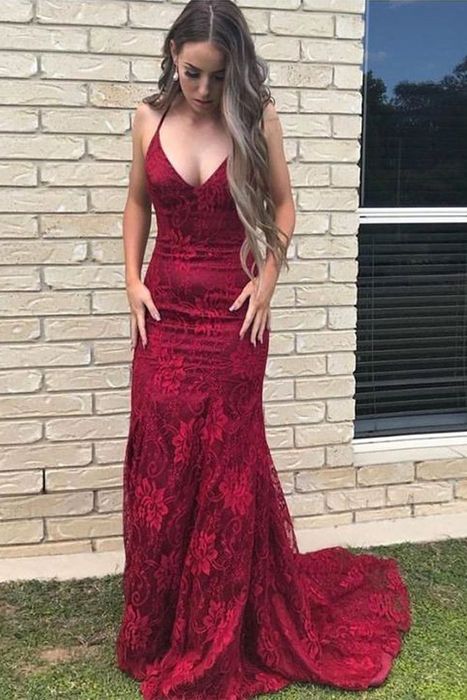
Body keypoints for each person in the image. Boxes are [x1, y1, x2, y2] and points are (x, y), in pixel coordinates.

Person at [115, 1, 412, 698]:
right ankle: (157, 627)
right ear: (173, 55)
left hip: (233, 319)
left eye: (218, 77)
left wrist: (268, 280)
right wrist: (130, 280)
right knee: (162, 463)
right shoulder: (147, 118)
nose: (203, 89)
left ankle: (219, 628)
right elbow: (137, 203)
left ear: (237, 71)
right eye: (192, 73)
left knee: (225, 467)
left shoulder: (257, 117)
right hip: (163, 316)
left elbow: (283, 204)